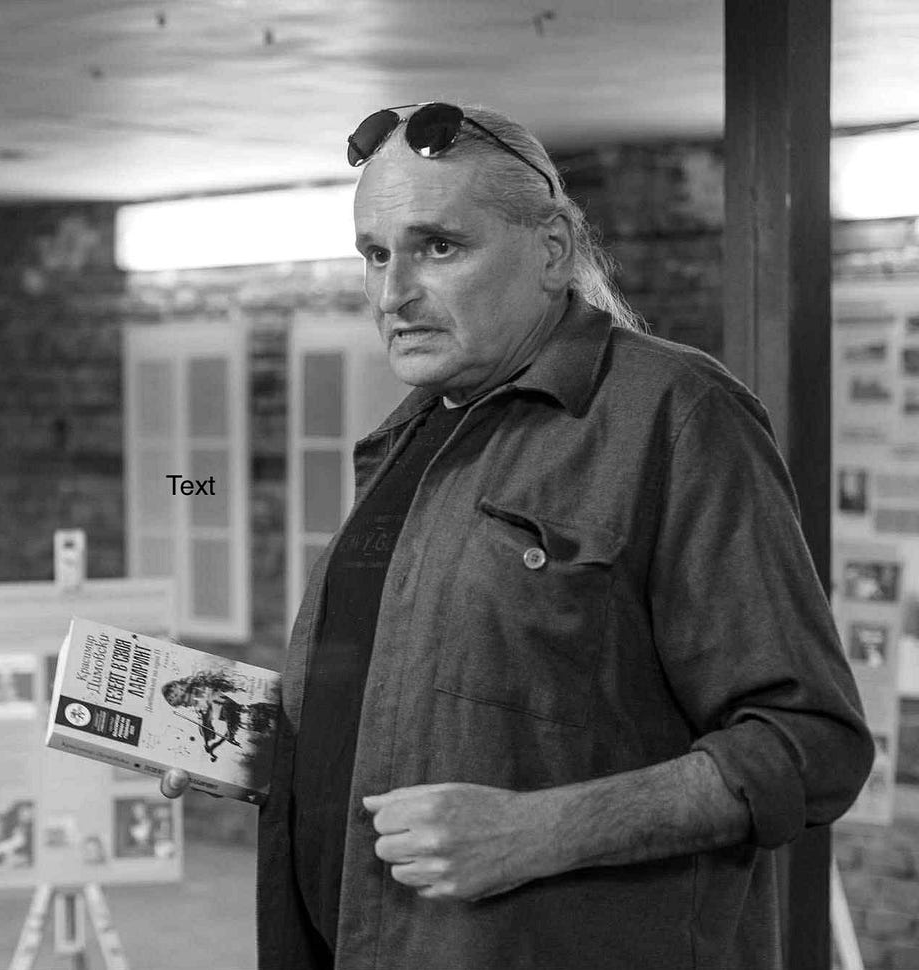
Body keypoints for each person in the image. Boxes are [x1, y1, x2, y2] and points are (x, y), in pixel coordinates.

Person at [165, 101, 872, 968]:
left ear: (552, 251)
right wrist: (245, 745)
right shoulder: (409, 438)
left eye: (438, 248)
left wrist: (537, 832)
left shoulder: (676, 416)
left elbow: (809, 744)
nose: (392, 294)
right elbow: (420, 705)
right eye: (376, 255)